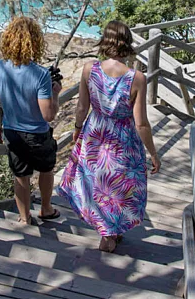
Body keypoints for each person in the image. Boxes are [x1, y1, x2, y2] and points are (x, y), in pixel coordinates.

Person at [57, 20, 161, 253]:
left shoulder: (89, 69)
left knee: (97, 181)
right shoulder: (137, 78)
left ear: (105, 41)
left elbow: (82, 107)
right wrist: (153, 153)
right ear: (127, 43)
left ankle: (107, 231)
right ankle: (110, 233)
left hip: (95, 132)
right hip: (122, 136)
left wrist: (77, 129)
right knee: (119, 185)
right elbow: (141, 122)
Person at [0, 16, 62, 224]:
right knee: (46, 170)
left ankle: (24, 217)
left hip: (12, 132)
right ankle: (46, 209)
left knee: (21, 175)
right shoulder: (40, 75)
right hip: (38, 133)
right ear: (35, 41)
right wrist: (55, 94)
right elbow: (48, 115)